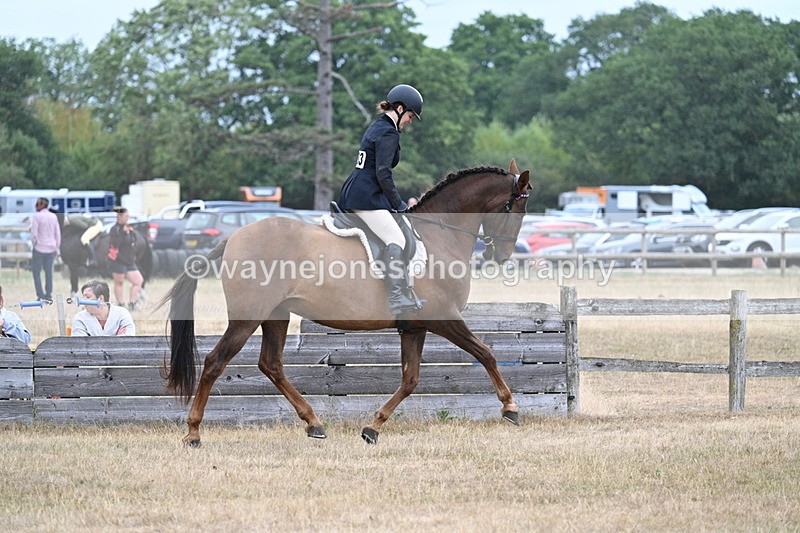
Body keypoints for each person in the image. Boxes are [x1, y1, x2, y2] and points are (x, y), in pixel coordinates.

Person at [337, 84, 425, 316]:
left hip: (358, 190)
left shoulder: (378, 126)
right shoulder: (388, 132)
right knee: (396, 237)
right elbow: (383, 173)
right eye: (409, 115)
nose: (410, 121)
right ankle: (397, 298)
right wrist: (400, 204)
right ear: (398, 108)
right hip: (366, 196)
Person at [108, 207, 143, 310]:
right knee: (119, 282)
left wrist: (131, 233)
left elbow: (133, 242)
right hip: (117, 260)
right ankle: (121, 305)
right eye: (126, 216)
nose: (128, 218)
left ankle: (132, 304)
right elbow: (115, 244)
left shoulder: (128, 228)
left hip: (129, 260)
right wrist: (123, 233)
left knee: (138, 281)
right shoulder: (115, 229)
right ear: (120, 216)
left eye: (128, 216)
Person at [71, 280, 135, 336]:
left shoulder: (122, 314)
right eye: (83, 297)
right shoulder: (80, 318)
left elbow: (128, 341)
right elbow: (79, 346)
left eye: (87, 297)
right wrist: (116, 340)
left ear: (101, 298)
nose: (83, 301)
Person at [30, 197, 61, 302]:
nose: (36, 205)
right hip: (51, 248)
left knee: (37, 273)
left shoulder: (36, 216)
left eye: (37, 203)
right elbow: (57, 233)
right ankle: (48, 295)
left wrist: (35, 244)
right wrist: (56, 247)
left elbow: (34, 234)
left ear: (41, 204)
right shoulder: (53, 217)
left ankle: (40, 295)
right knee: (49, 272)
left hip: (39, 248)